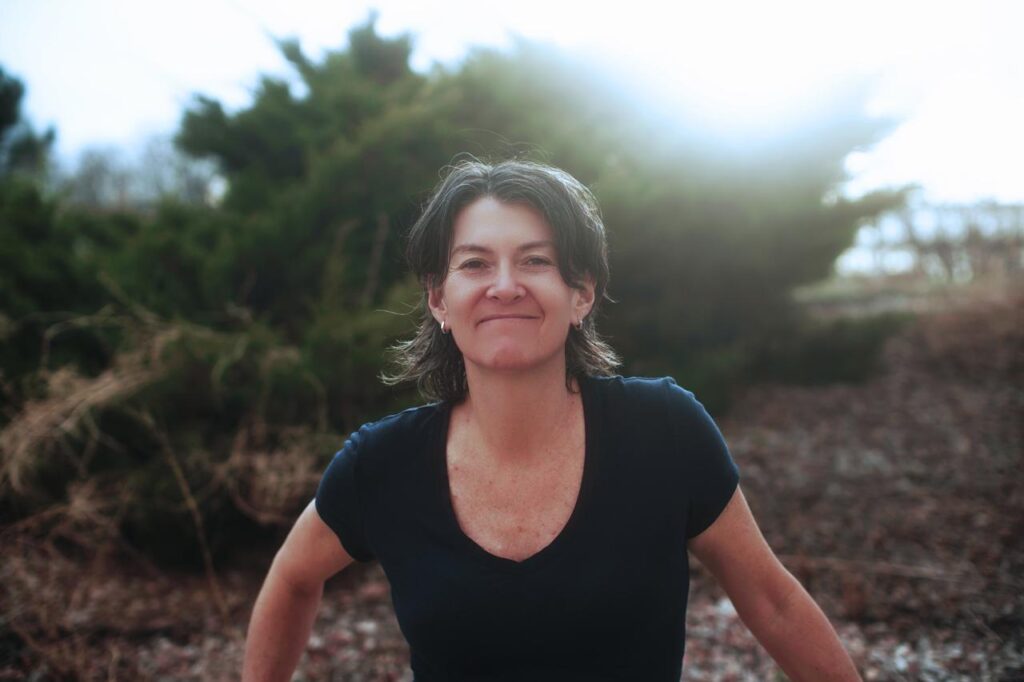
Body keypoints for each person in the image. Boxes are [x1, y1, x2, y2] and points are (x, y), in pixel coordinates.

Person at [241, 159, 862, 681]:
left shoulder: (664, 432)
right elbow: (292, 579)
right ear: (438, 299)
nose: (504, 286)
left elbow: (774, 604)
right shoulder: (382, 464)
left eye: (535, 260)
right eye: (475, 264)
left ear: (581, 293)